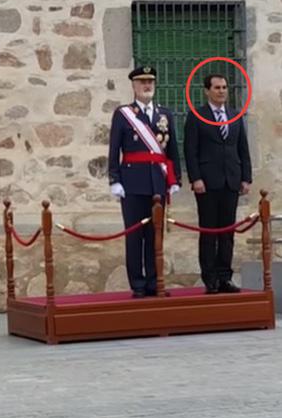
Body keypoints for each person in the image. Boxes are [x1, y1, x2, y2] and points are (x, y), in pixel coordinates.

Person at [108, 66, 181, 298]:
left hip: (157, 182)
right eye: (142, 82)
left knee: (154, 235)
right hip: (132, 181)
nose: (147, 85)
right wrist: (114, 179)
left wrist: (174, 178)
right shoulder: (124, 114)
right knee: (135, 235)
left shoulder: (164, 114)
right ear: (133, 86)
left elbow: (173, 149)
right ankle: (137, 284)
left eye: (150, 81)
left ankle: (153, 281)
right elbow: (114, 148)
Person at [184, 73, 252, 294]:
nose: (222, 91)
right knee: (209, 232)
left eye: (224, 87)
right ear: (207, 91)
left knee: (227, 233)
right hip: (207, 182)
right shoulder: (197, 116)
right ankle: (210, 278)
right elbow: (190, 150)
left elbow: (243, 148)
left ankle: (225, 277)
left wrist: (246, 177)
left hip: (230, 180)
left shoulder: (234, 115)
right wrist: (196, 178)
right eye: (217, 87)